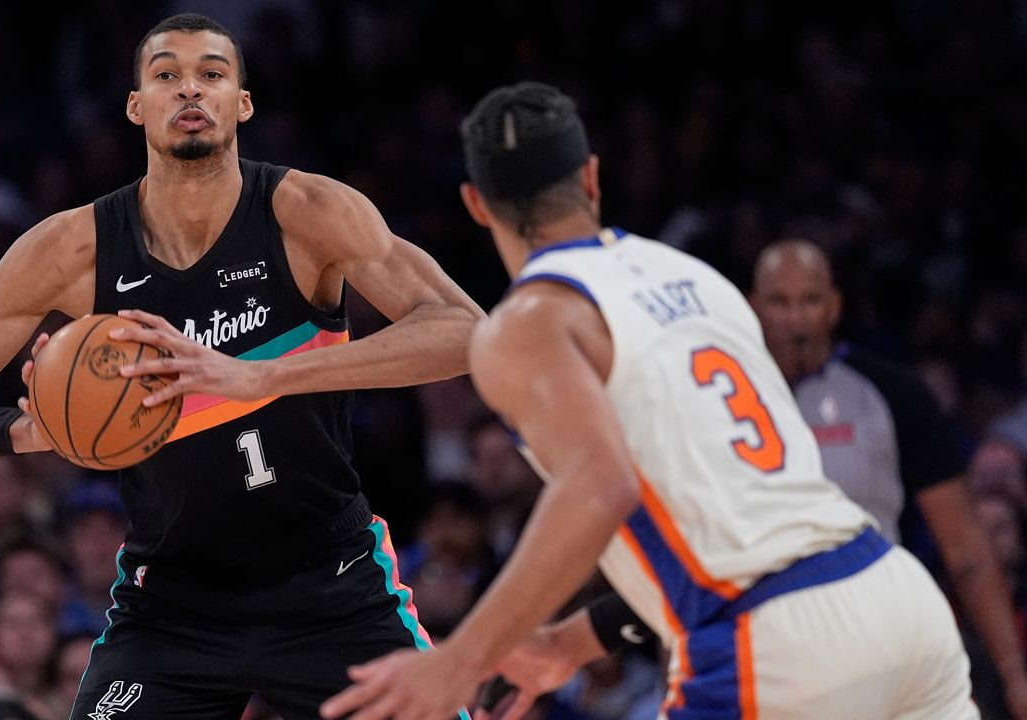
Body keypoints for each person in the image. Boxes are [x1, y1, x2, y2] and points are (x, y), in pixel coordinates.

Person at [0, 12, 482, 720]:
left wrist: (266, 377)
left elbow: (465, 331)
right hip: (172, 603)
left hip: (330, 586)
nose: (190, 90)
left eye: (211, 74)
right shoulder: (73, 250)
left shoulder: (308, 213)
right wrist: (31, 433)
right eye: (167, 76)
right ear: (137, 106)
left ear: (241, 103)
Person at [322, 82, 977, 720]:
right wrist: (566, 644)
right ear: (592, 178)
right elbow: (735, 517)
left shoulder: (527, 324)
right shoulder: (700, 279)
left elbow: (601, 486)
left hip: (773, 643)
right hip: (896, 598)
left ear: (476, 203)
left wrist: (460, 658)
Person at [750, 239, 1027, 719]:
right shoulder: (719, 401)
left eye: (810, 300)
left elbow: (965, 548)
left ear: (834, 307)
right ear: (753, 307)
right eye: (779, 302)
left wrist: (1014, 673)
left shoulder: (891, 392)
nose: (796, 319)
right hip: (766, 651)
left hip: (877, 643)